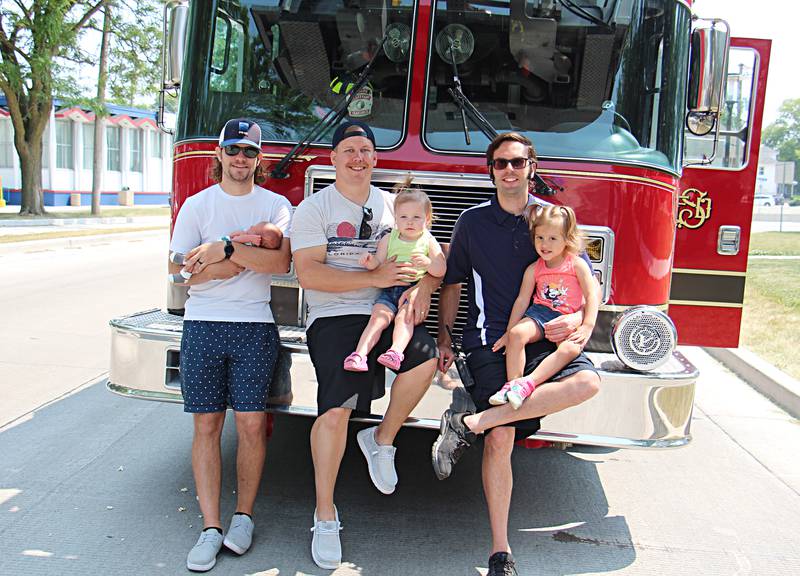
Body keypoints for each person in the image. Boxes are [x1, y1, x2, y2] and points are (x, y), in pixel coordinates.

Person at [432, 132, 600, 576]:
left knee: (589, 381)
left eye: (518, 163)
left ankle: (472, 421)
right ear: (491, 170)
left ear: (532, 167)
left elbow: (581, 276)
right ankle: (500, 552)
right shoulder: (471, 222)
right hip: (490, 339)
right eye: (501, 163)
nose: (509, 170)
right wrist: (445, 339)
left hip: (550, 336)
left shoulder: (549, 221)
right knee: (503, 438)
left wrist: (579, 321)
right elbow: (452, 283)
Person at [291, 120, 439, 570]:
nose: (359, 158)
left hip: (387, 309)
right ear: (333, 158)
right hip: (334, 316)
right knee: (336, 409)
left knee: (424, 359)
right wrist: (374, 277)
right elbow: (309, 274)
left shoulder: (396, 207)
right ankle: (325, 513)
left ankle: (381, 438)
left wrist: (424, 291)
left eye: (367, 151)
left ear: (376, 159)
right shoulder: (313, 209)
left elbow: (430, 256)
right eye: (350, 150)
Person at [169, 118, 292, 572]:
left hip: (253, 326)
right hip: (202, 325)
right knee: (206, 427)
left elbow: (279, 262)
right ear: (219, 154)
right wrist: (236, 253)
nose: (241, 158)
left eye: (250, 152)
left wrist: (218, 250)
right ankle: (210, 526)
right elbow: (180, 270)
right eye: (234, 149)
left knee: (252, 426)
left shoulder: (276, 203)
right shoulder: (197, 205)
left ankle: (243, 518)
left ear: (260, 160)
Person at [488, 204, 599, 409]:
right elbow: (522, 300)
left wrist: (587, 325)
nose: (544, 244)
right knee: (518, 334)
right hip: (540, 313)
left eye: (552, 238)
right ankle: (512, 385)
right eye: (540, 238)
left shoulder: (576, 264)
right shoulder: (534, 268)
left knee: (570, 349)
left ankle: (528, 383)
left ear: (567, 239)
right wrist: (509, 332)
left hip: (567, 315)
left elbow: (592, 294)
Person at [344, 182, 446, 372]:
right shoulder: (388, 238)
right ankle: (359, 355)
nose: (409, 222)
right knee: (377, 318)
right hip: (388, 290)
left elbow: (441, 269)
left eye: (416, 217)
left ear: (427, 218)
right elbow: (378, 263)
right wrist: (369, 262)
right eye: (404, 217)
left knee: (404, 318)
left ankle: (396, 352)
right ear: (396, 219)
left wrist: (428, 263)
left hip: (411, 290)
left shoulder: (428, 240)